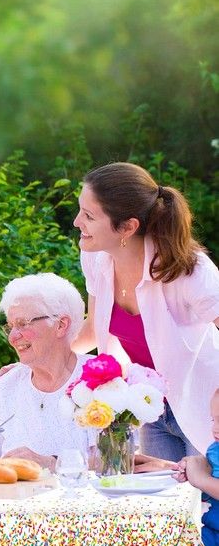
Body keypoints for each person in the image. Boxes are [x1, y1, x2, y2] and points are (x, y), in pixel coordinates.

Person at [73, 161, 219, 468]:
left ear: (127, 227)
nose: (76, 222)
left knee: (207, 509)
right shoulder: (96, 258)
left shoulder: (190, 269)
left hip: (205, 406)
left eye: (88, 215)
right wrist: (35, 361)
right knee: (159, 506)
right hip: (150, 409)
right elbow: (90, 331)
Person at [0, 273, 96, 471]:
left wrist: (51, 463)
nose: (13, 337)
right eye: (10, 326)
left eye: (23, 324)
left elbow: (117, 461)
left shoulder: (100, 381)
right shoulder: (3, 386)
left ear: (61, 325)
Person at [173, 389, 219, 546]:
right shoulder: (214, 450)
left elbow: (204, 479)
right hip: (210, 529)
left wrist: (201, 479)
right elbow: (206, 471)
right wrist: (191, 471)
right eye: (213, 419)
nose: (215, 427)